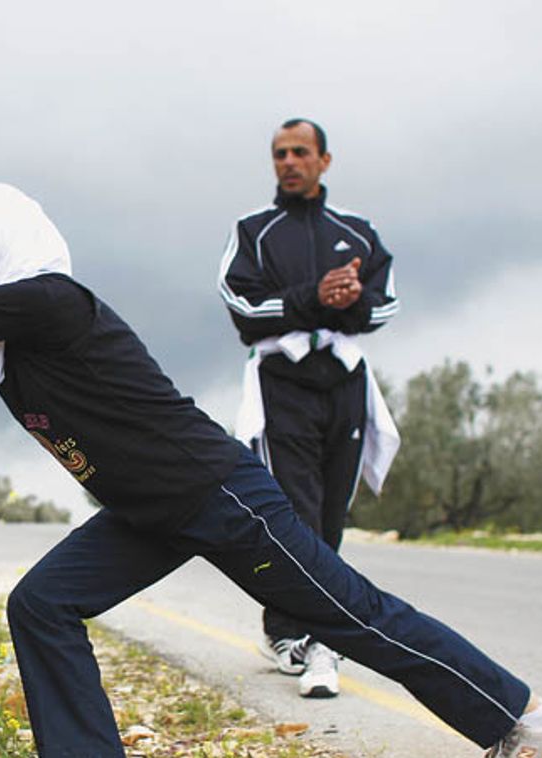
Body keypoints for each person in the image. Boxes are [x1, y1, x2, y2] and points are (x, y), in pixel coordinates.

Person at [0, 181, 542, 758]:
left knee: (358, 620)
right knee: (41, 604)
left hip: (221, 496)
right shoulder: (13, 330)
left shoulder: (45, 299)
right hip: (149, 512)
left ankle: (521, 722)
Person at [218, 117, 401, 699]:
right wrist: (311, 297)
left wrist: (350, 301)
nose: (289, 162)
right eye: (279, 153)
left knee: (329, 515)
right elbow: (240, 305)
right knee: (292, 511)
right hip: (283, 384)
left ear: (325, 160)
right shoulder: (255, 230)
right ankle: (309, 637)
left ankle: (304, 630)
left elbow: (385, 304)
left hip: (344, 383)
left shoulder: (359, 232)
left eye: (300, 152)